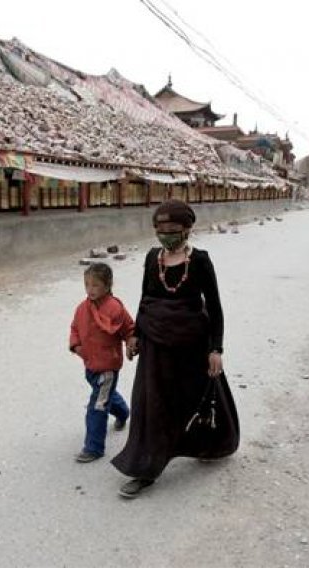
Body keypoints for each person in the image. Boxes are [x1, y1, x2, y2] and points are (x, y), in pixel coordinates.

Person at [112, 199, 240, 499]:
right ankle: (144, 468)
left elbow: (215, 308)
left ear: (187, 229)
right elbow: (145, 299)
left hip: (193, 344)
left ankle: (209, 444)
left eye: (173, 230)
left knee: (198, 398)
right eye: (160, 229)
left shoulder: (200, 261)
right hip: (156, 345)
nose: (166, 235)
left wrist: (216, 349)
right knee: (152, 406)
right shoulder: (152, 258)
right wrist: (135, 336)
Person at [69, 263, 134, 463]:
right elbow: (75, 328)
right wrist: (76, 346)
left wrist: (132, 342)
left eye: (95, 285)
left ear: (107, 285)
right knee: (105, 396)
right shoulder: (82, 308)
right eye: (87, 285)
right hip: (90, 364)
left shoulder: (115, 308)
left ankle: (94, 447)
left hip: (108, 367)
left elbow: (129, 328)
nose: (90, 290)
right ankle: (123, 412)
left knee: (97, 405)